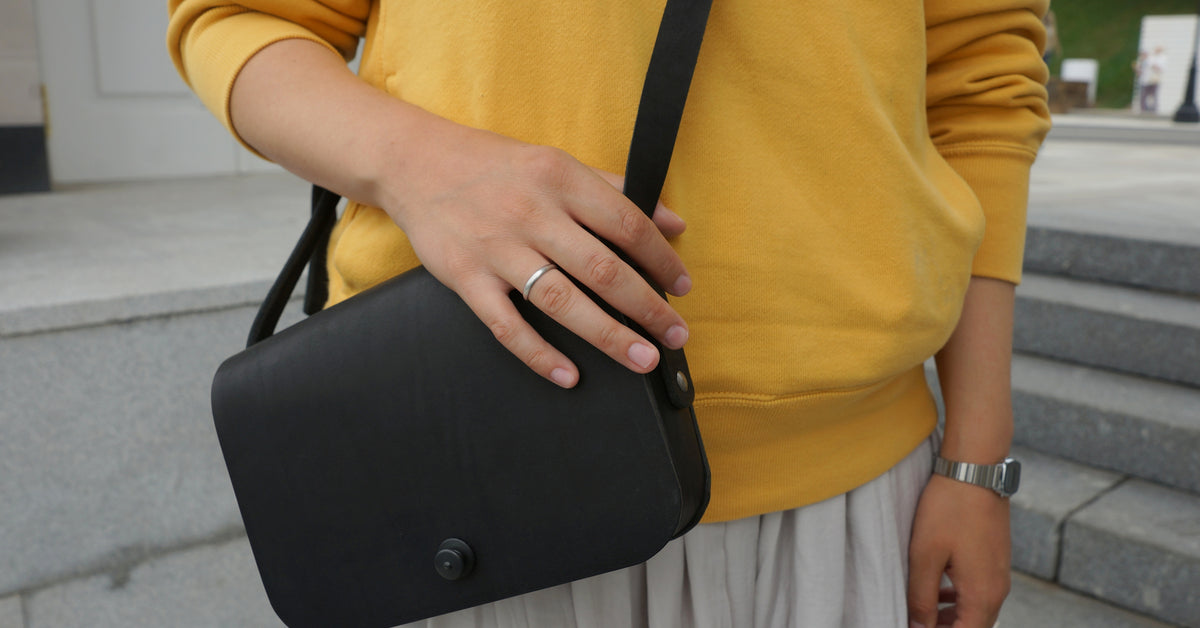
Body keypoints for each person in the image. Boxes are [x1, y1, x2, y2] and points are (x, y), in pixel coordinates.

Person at [168, 2, 1051, 627]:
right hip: (486, 463)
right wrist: (416, 163)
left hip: (849, 489)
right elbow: (240, 16)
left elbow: (980, 89)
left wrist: (978, 464)